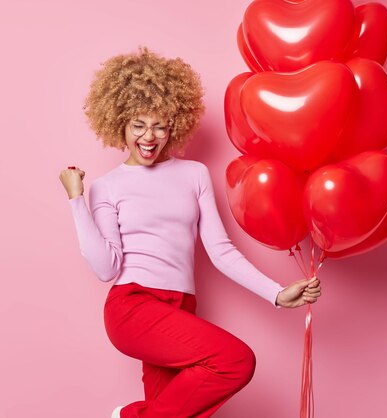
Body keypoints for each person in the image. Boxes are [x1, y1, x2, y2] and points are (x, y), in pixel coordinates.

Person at [58, 47, 321, 418]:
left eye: (160, 125)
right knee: (235, 361)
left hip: (182, 307)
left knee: (172, 410)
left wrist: (277, 294)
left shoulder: (194, 174)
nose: (149, 137)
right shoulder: (108, 186)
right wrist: (76, 199)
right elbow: (105, 268)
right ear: (120, 123)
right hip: (133, 306)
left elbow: (221, 251)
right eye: (138, 124)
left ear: (174, 124)